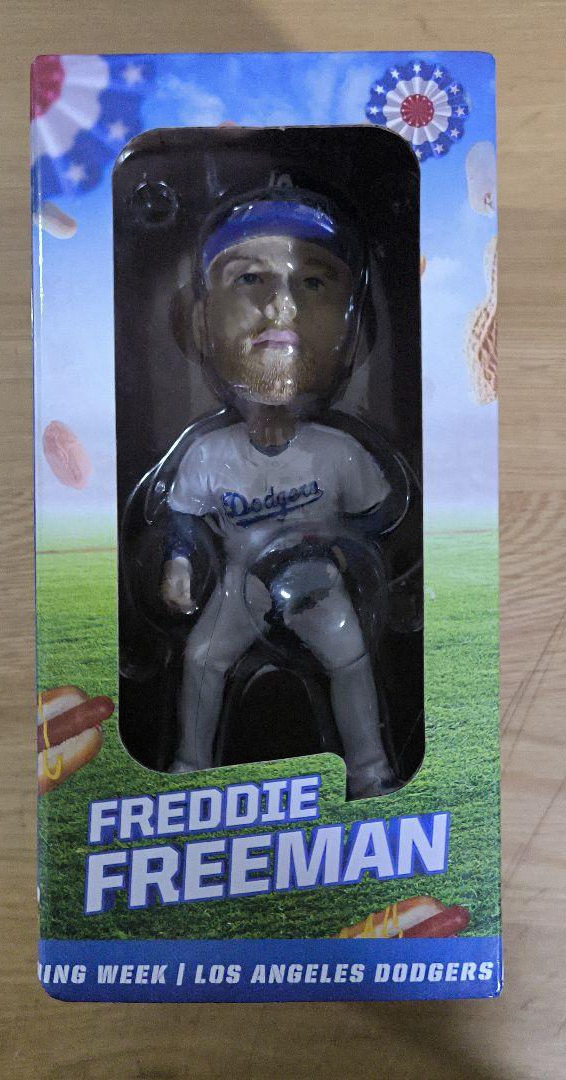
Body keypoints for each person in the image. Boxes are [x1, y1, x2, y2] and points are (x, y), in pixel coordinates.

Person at [159, 186, 398, 798]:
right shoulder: (210, 454)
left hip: (315, 580)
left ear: (351, 327)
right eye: (249, 279)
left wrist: (352, 556)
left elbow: (378, 517)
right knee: (202, 659)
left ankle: (370, 769)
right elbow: (182, 518)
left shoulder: (338, 451)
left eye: (313, 283)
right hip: (245, 581)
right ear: (201, 322)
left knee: (350, 658)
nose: (282, 307)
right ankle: (190, 767)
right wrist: (179, 565)